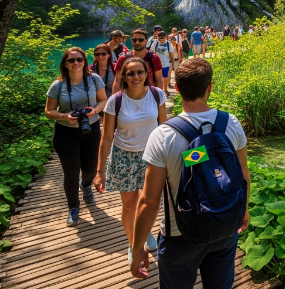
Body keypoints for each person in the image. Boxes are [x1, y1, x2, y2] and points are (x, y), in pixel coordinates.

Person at [130, 58, 250, 288]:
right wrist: (243, 210)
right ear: (209, 87)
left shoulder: (163, 135)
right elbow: (243, 175)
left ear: (177, 88)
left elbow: (149, 201)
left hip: (180, 235)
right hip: (224, 225)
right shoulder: (231, 123)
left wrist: (137, 249)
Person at [95, 57, 167, 264]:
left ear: (146, 74)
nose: (136, 77)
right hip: (123, 157)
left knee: (149, 202)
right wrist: (100, 171)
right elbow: (107, 137)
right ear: (124, 77)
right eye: (131, 73)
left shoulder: (156, 95)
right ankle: (133, 243)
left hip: (151, 156)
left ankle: (144, 232)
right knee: (129, 204)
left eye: (139, 72)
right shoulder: (115, 101)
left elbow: (164, 127)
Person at [44, 47, 107, 226]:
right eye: (71, 60)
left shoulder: (94, 79)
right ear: (65, 63)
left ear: (84, 61)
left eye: (79, 59)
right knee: (71, 172)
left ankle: (86, 185)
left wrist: (94, 110)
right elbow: (49, 111)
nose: (76, 63)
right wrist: (64, 116)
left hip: (91, 128)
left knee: (90, 169)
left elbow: (104, 100)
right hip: (66, 132)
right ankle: (73, 207)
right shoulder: (58, 85)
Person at [113, 28, 164, 93]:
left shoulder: (153, 58)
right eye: (134, 40)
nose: (137, 42)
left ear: (146, 41)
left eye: (140, 40)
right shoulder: (123, 59)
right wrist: (115, 100)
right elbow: (117, 81)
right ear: (131, 41)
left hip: (149, 96)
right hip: (129, 97)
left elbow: (159, 80)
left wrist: (159, 98)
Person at [151, 31, 172, 96]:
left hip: (165, 63)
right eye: (160, 38)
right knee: (157, 78)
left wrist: (173, 64)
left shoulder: (168, 44)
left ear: (165, 37)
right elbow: (151, 53)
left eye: (162, 38)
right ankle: (158, 91)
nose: (161, 40)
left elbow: (171, 54)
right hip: (156, 64)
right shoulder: (155, 44)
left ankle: (165, 89)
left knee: (165, 77)